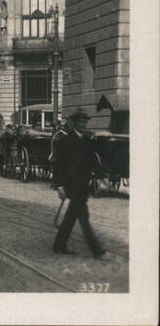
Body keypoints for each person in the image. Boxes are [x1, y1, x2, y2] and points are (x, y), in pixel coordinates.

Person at [51, 107, 105, 257]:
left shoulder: (87, 139)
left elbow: (93, 160)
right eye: (80, 122)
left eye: (85, 122)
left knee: (73, 216)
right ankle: (96, 249)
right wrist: (60, 186)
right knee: (82, 218)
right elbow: (59, 165)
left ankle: (59, 244)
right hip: (71, 184)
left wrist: (100, 176)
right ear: (74, 123)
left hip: (83, 184)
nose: (83, 124)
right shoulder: (65, 140)